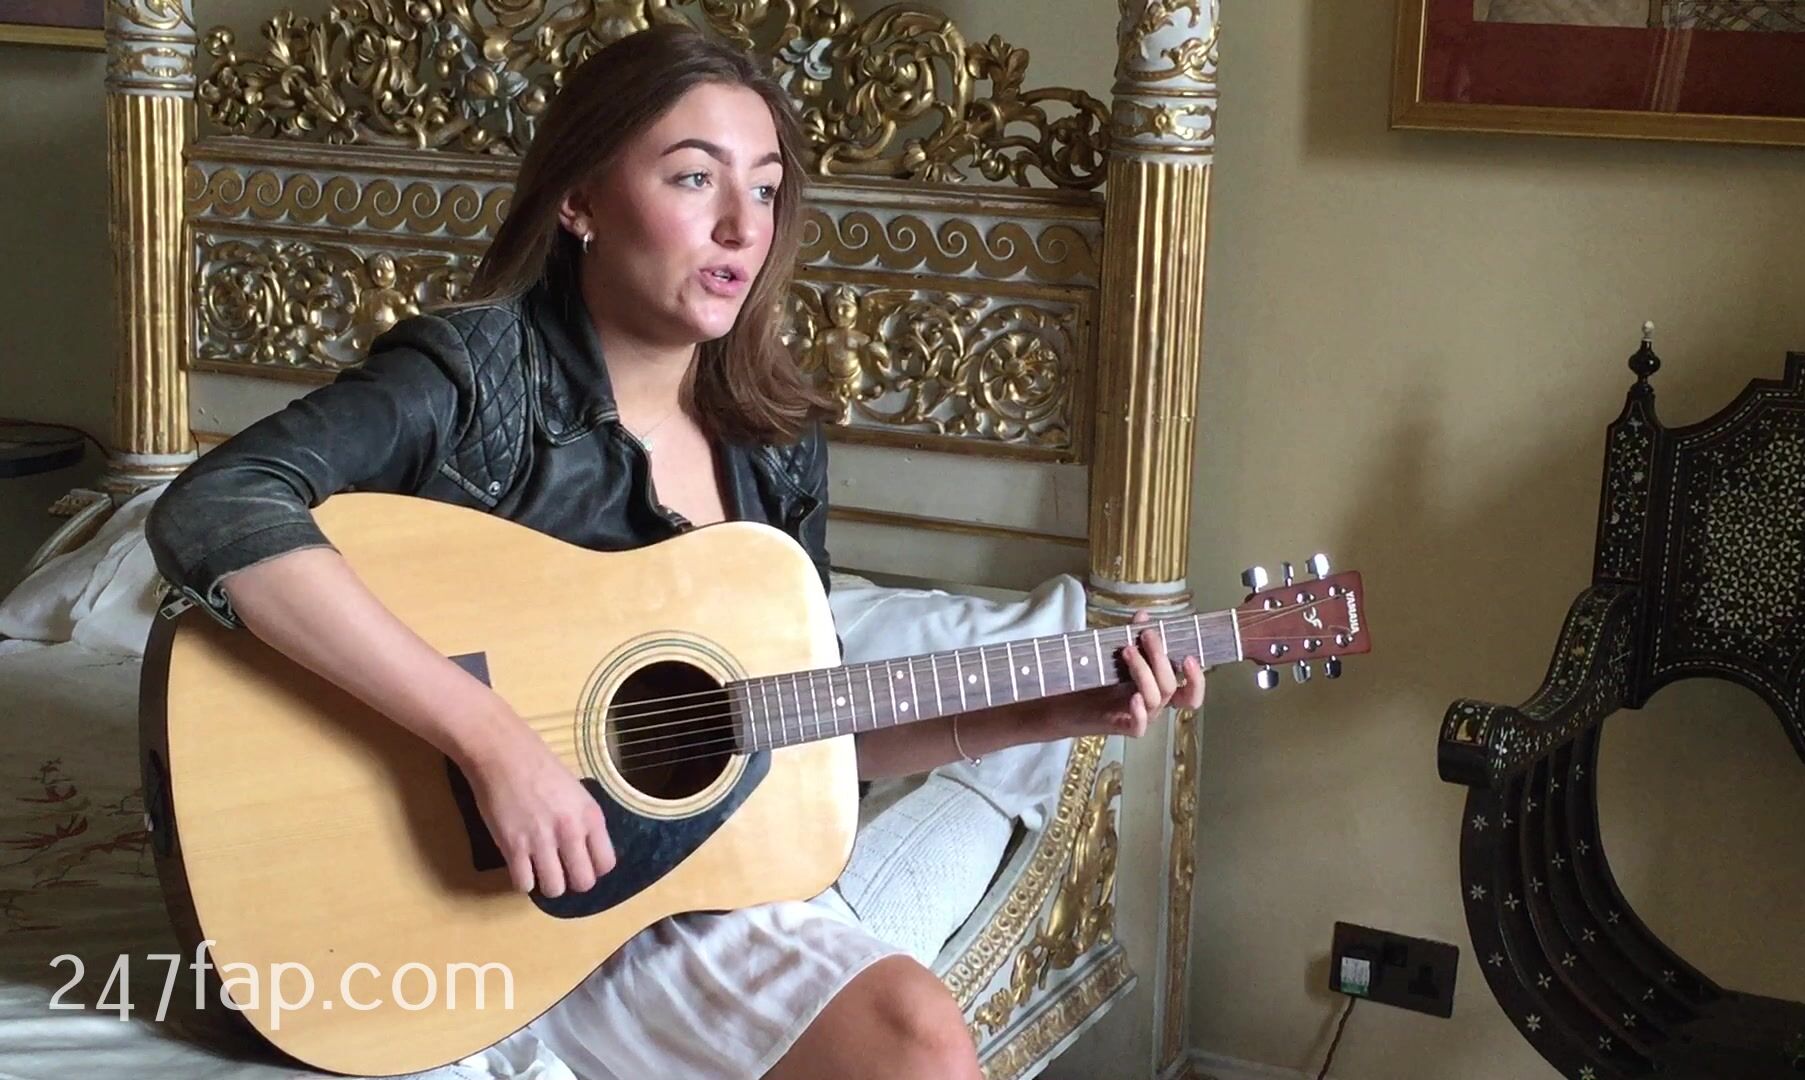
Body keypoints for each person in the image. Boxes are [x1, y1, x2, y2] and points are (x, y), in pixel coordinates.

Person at [144, 26, 1205, 1080]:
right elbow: (217, 505)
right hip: (419, 888)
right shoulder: (476, 376)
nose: (743, 225)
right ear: (580, 200)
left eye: (767, 188)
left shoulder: (776, 444)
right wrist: (492, 741)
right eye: (695, 178)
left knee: (919, 1041)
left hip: (656, 887)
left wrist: (1046, 717)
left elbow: (788, 731)